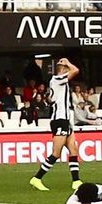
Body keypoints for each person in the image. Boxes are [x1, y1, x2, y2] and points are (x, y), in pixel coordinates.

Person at [29, 58, 83, 191]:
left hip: (65, 120)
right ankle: (37, 178)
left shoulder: (60, 82)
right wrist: (68, 62)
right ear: (63, 70)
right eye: (66, 68)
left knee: (73, 150)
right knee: (56, 153)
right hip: (59, 120)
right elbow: (76, 70)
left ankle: (76, 181)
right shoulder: (57, 79)